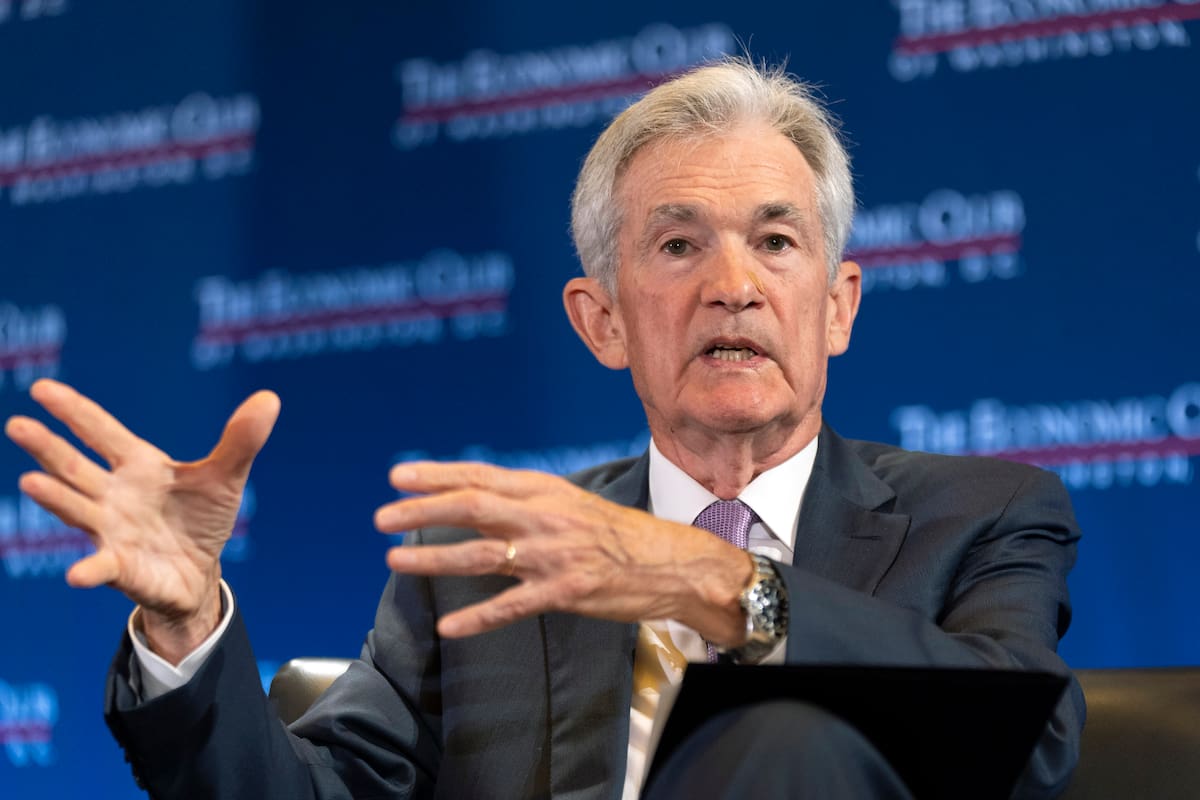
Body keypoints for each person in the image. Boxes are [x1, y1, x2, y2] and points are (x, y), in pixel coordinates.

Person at [5, 58, 1083, 799]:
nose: (734, 285)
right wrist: (188, 624)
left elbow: (1023, 735)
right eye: (678, 246)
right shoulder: (482, 563)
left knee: (787, 731)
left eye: (775, 241)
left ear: (838, 305)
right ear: (601, 320)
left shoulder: (983, 516)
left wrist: (714, 583)